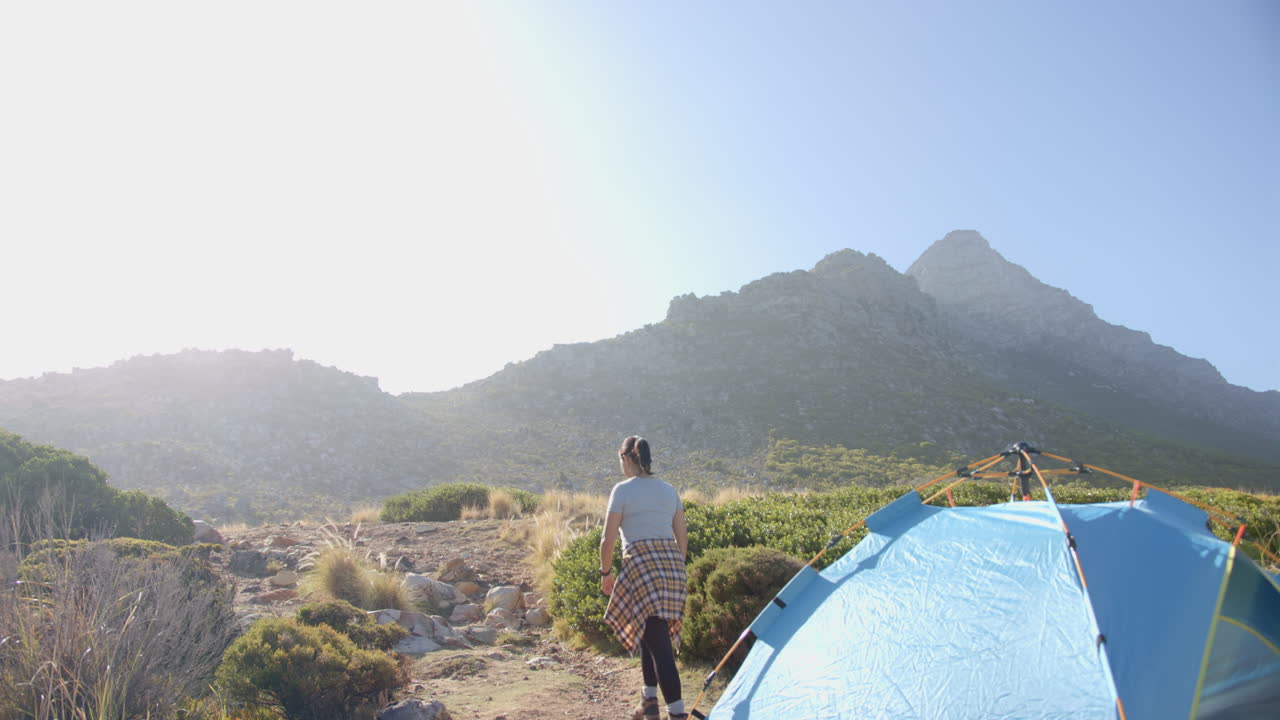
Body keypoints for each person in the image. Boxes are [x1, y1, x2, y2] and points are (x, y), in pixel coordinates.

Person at [601, 436, 689, 720]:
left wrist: (605, 572)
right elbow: (682, 537)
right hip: (673, 567)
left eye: (620, 460)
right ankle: (648, 701)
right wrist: (675, 566)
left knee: (660, 646)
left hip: (641, 567)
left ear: (628, 458)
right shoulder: (669, 490)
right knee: (649, 632)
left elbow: (608, 538)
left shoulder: (623, 490)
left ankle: (676, 713)